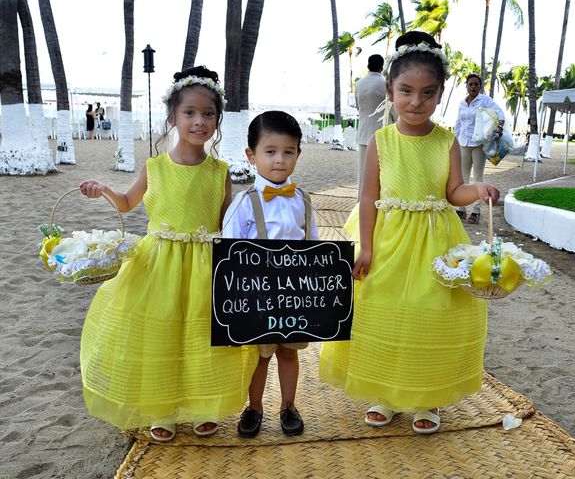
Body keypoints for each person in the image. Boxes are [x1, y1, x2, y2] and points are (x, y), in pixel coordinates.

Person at [319, 31, 500, 435]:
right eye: (406, 91)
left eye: (427, 93)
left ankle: (426, 395)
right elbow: (368, 198)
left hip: (437, 241)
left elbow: (454, 192)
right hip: (388, 239)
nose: (416, 102)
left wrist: (478, 189)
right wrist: (365, 247)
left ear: (440, 94)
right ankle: (385, 392)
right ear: (390, 90)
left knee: (432, 314)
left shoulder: (447, 140)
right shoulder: (382, 141)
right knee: (384, 312)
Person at [77, 66, 258, 443]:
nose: (199, 121)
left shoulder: (220, 171)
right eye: (189, 113)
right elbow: (128, 203)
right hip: (158, 264)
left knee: (199, 335)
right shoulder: (155, 167)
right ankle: (161, 408)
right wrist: (104, 190)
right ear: (172, 117)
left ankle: (200, 406)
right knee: (160, 333)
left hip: (204, 266)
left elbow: (228, 225)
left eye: (208, 114)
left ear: (218, 119)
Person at [222, 110, 319, 438]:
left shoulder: (303, 200)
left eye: (288, 152)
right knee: (260, 358)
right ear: (251, 156)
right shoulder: (244, 203)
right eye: (270, 151)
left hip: (294, 298)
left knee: (289, 353)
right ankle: (255, 407)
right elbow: (229, 254)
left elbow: (313, 245)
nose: (280, 160)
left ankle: (289, 406)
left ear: (298, 155)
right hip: (257, 298)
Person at [454, 73, 505, 224]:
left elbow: (500, 113)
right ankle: (461, 210)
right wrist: (456, 140)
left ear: (480, 86)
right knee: (463, 178)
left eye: (476, 84)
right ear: (467, 86)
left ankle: (476, 212)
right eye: (471, 84)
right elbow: (458, 123)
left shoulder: (485, 100)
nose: (473, 87)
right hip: (463, 143)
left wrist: (499, 125)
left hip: (478, 144)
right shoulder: (462, 103)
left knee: (477, 178)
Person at [355, 54, 386, 196]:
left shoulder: (359, 83)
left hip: (363, 131)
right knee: (379, 172)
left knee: (362, 172)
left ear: (368, 65)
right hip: (380, 133)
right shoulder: (385, 84)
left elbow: (358, 107)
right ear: (382, 66)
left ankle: (360, 202)